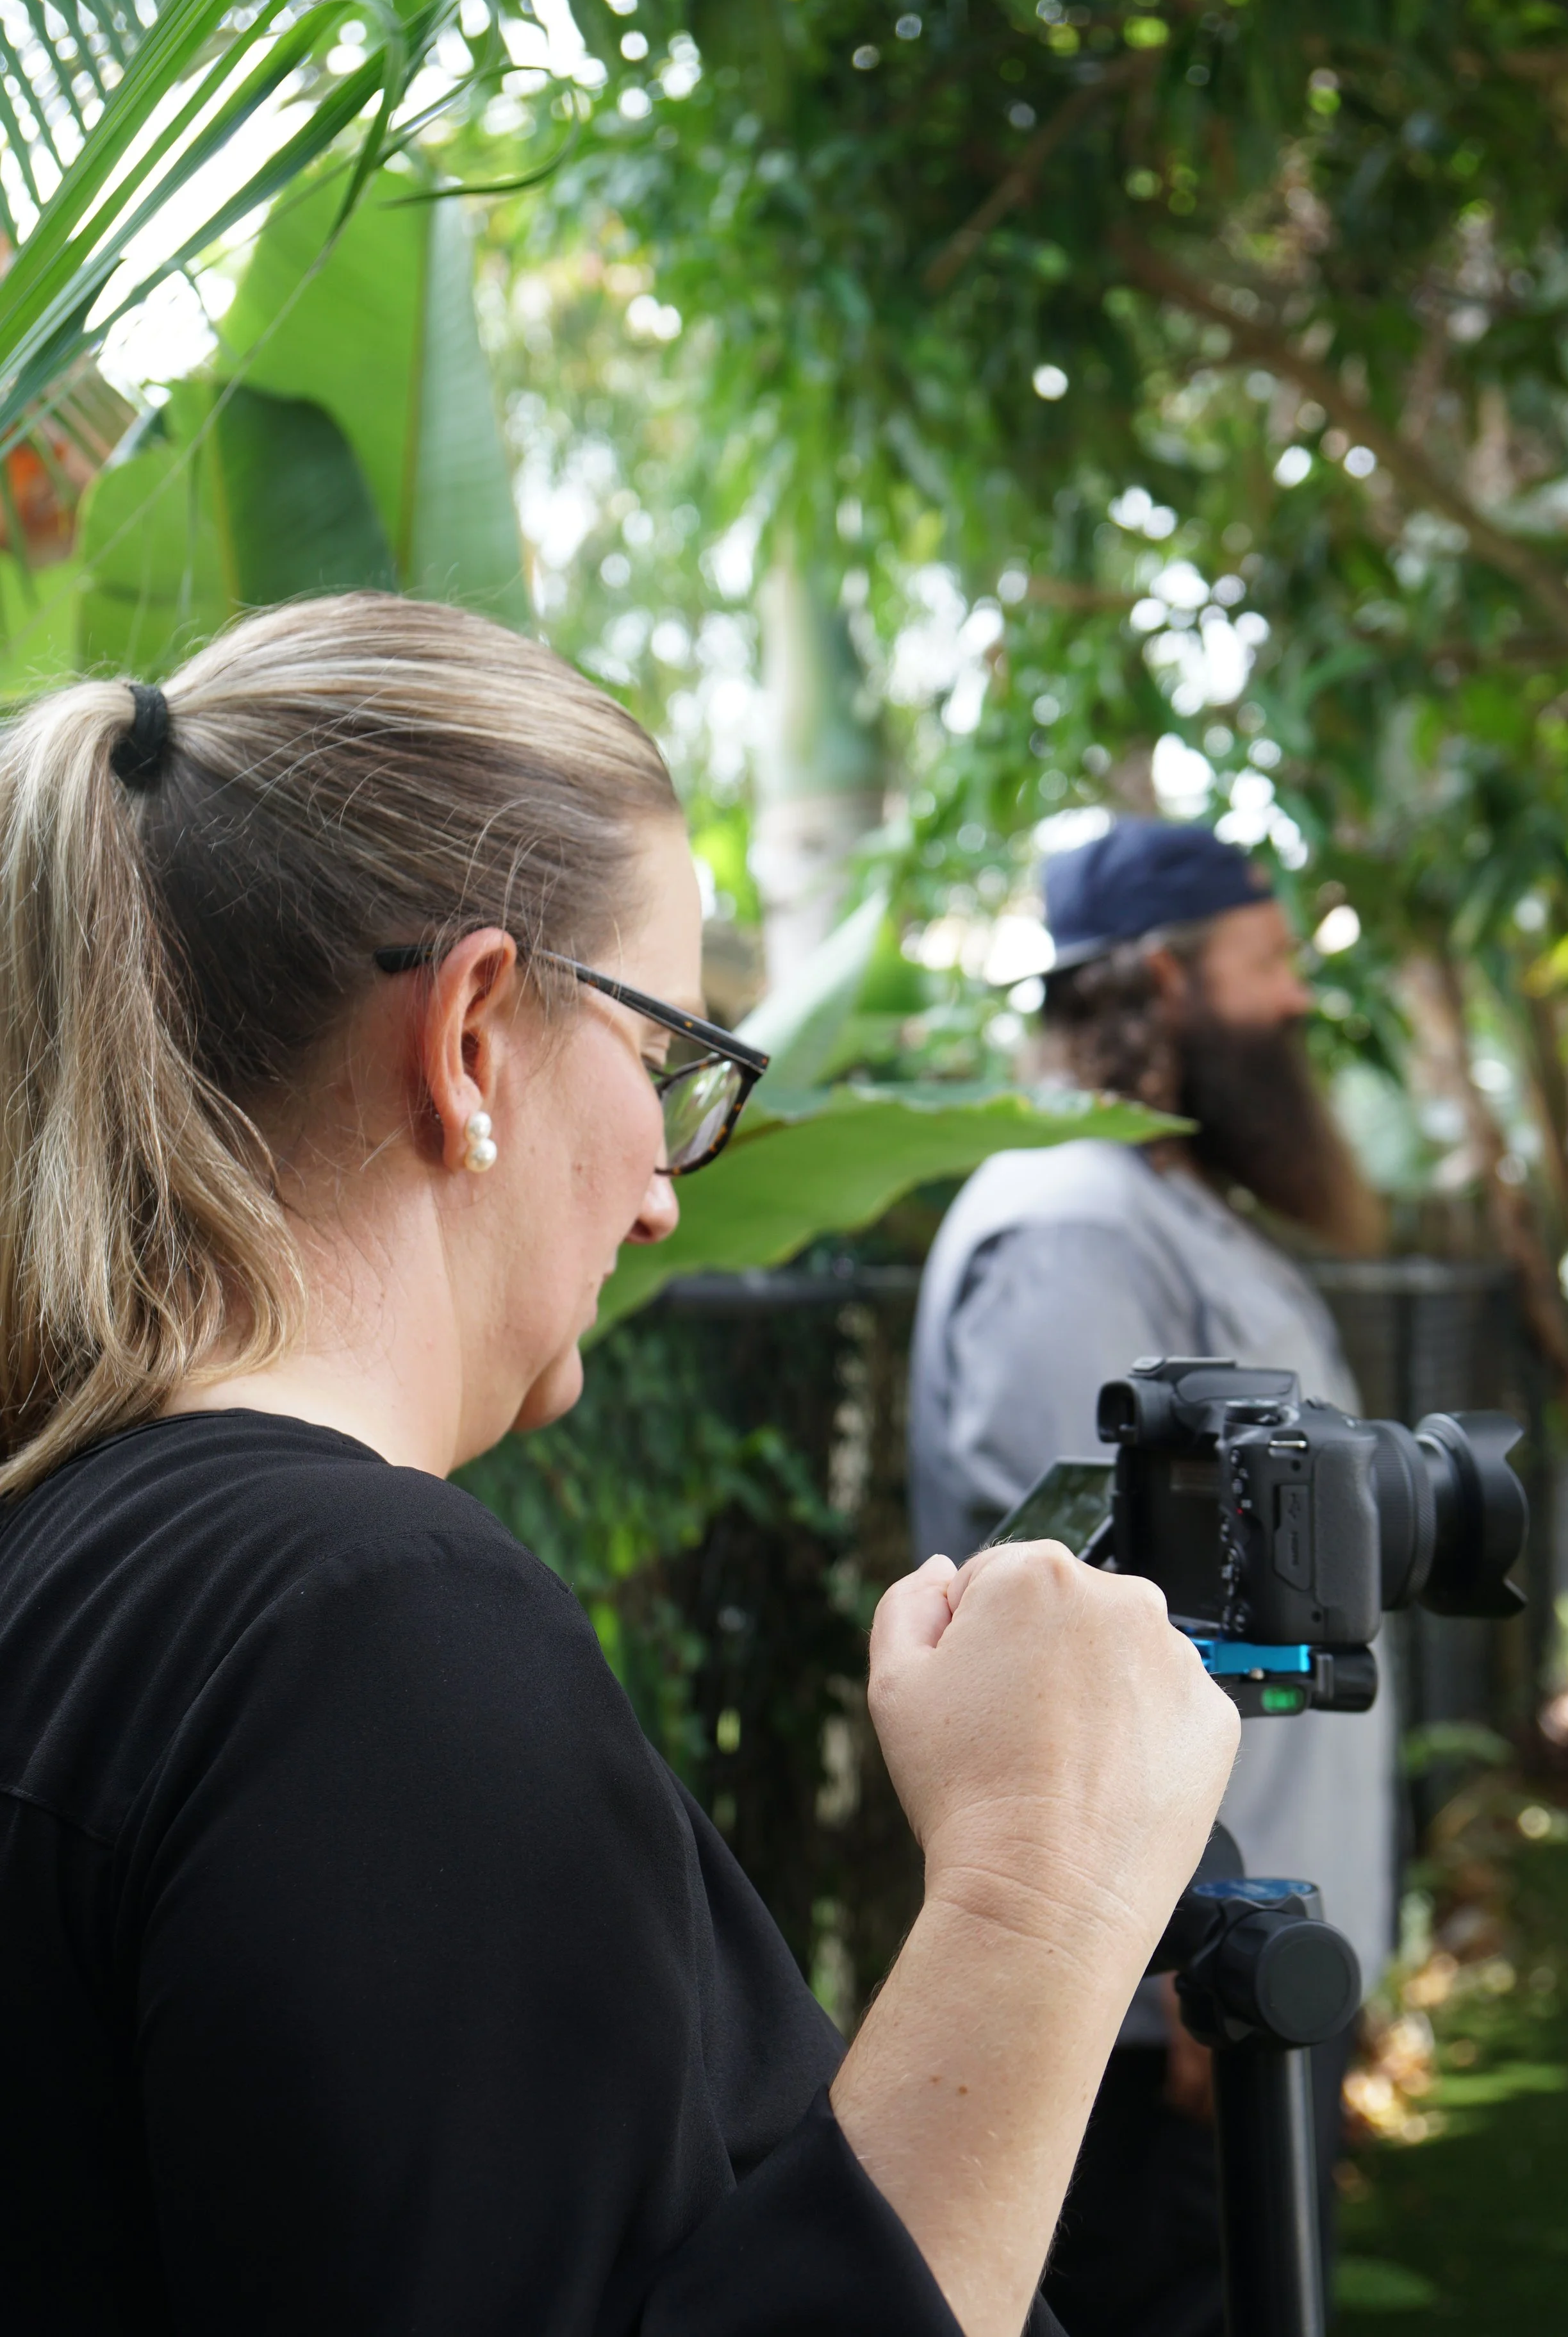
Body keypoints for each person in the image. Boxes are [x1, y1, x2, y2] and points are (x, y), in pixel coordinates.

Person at [0, 597, 1239, 2337]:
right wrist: (1040, 1883)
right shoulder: (362, 1627)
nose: (669, 1186)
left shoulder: (75, 1562)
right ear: (471, 1033)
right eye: (670, 1059)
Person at [908, 817, 1396, 2337]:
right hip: (1163, 2018)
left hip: (1232, 1990)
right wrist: (1199, 1934)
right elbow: (1084, 1626)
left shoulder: (1149, 1205)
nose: (1298, 1003)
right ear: (1165, 984)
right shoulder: (1070, 1228)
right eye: (1267, 965)